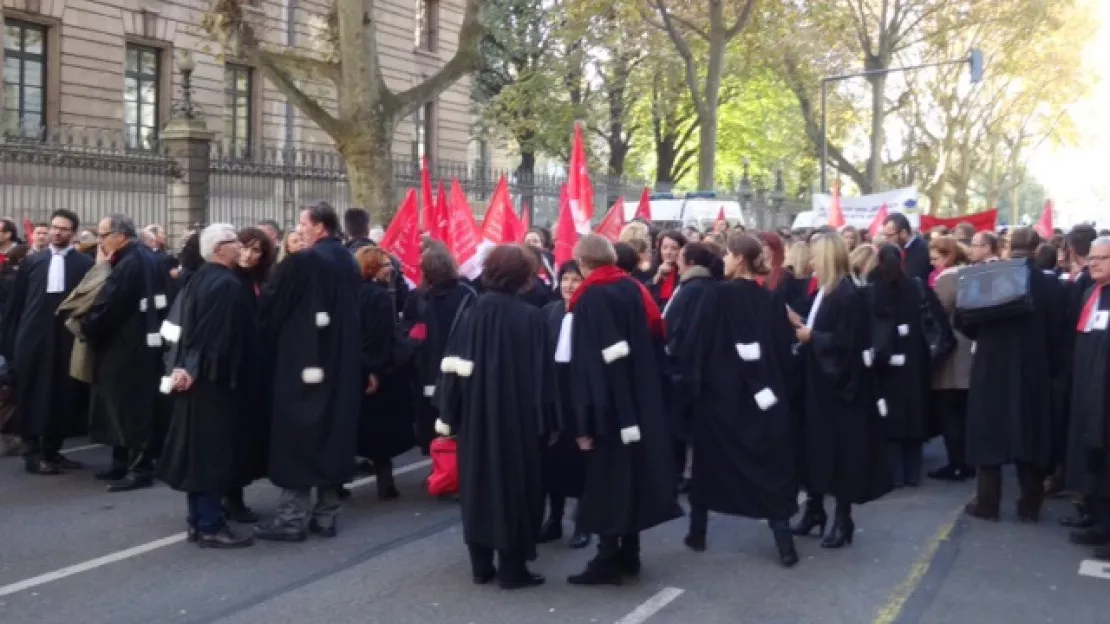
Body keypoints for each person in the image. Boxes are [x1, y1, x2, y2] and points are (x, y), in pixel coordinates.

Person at [559, 234, 682, 586]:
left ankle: (607, 557)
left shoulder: (590, 299)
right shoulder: (632, 288)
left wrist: (584, 422)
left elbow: (588, 367)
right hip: (638, 398)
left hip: (608, 405)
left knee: (607, 480)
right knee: (630, 476)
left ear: (582, 264)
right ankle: (630, 551)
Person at [675, 233, 799, 567]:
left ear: (739, 258)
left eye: (728, 254)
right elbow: (784, 353)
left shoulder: (714, 296)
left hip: (719, 398)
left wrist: (692, 385)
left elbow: (694, 344)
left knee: (709, 465)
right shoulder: (771, 300)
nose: (724, 261)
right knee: (768, 468)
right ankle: (783, 541)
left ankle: (697, 532)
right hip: (763, 398)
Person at [437, 245, 551, 590]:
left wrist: (449, 416)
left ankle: (481, 565)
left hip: (476, 418)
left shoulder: (471, 312)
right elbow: (543, 380)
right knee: (517, 489)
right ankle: (513, 569)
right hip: (518, 423)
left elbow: (452, 367)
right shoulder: (532, 318)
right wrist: (547, 422)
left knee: (478, 488)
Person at [254, 202, 361, 541]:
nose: (298, 229)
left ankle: (291, 519)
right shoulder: (348, 259)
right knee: (334, 434)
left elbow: (271, 305)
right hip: (341, 363)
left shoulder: (304, 262)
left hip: (303, 360)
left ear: (319, 227)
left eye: (303, 223)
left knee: (296, 436)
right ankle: (326, 515)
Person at [156, 224, 257, 549]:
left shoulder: (198, 278)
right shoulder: (226, 285)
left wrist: (179, 367)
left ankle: (198, 521)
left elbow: (180, 328)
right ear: (218, 249)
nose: (239, 246)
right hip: (213, 382)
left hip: (194, 378)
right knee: (212, 454)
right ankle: (211, 524)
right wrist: (191, 368)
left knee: (196, 452)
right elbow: (213, 336)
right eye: (233, 242)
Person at [790, 233, 890, 548]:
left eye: (816, 256)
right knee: (813, 450)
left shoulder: (847, 294)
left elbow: (848, 342)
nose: (810, 262)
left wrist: (812, 337)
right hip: (817, 384)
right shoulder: (825, 290)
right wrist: (802, 324)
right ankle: (815, 511)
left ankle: (842, 519)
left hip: (840, 389)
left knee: (840, 454)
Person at [958, 227, 1063, 523]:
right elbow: (1058, 333)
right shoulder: (1051, 285)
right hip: (1034, 369)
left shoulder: (990, 277)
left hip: (991, 366)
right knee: (1031, 435)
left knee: (989, 433)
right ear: (1037, 248)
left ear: (1007, 246)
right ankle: (1030, 505)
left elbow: (965, 320)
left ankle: (987, 503)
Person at [82, 214, 170, 492]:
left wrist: (88, 327)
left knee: (131, 409)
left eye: (104, 234)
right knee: (121, 408)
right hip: (141, 343)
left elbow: (111, 304)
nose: (101, 240)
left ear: (121, 236)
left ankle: (139, 467)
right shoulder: (144, 257)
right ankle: (121, 461)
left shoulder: (130, 263)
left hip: (126, 345)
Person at [1, 210, 93, 475]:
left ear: (72, 233)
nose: (56, 232)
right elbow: (16, 304)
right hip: (32, 337)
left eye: (63, 229)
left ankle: (53, 450)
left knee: (61, 394)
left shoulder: (82, 264)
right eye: (53, 227)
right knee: (31, 392)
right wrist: (10, 341)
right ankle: (33, 452)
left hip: (64, 339)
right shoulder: (34, 262)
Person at [866, 244, 931, 488]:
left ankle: (894, 473)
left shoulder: (873, 289)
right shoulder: (915, 285)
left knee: (889, 415)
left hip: (885, 359)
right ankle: (913, 473)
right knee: (914, 413)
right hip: (914, 359)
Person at [403, 248, 476, 455]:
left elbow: (407, 330)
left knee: (430, 416)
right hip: (459, 364)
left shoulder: (419, 296)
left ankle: (438, 462)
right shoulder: (467, 293)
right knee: (456, 415)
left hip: (427, 367)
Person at [354, 246, 413, 500]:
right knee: (380, 432)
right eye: (385, 263)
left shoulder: (352, 293)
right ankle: (385, 484)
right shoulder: (378, 297)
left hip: (355, 367)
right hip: (375, 370)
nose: (391, 268)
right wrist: (373, 370)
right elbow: (378, 338)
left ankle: (336, 485)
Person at [538, 260, 590, 549]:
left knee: (582, 461)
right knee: (553, 462)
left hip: (579, 396)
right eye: (566, 280)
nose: (569, 286)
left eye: (575, 280)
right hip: (554, 393)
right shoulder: (549, 312)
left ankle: (583, 523)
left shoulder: (590, 314)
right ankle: (554, 519)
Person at [1064, 236, 1110, 558]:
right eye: (1091, 257)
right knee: (1090, 453)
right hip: (1086, 388)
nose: (1093, 263)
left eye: (1102, 258)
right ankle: (1095, 518)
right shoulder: (1090, 294)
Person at [927, 236, 975, 481]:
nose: (933, 264)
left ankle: (957, 463)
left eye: (935, 259)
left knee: (949, 413)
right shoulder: (971, 274)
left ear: (947, 256)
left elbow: (936, 312)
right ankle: (967, 461)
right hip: (969, 349)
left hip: (951, 354)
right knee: (964, 413)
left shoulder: (947, 279)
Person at [882, 213, 931, 283]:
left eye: (889, 236)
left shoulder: (922, 249)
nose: (886, 240)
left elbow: (918, 281)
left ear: (903, 233)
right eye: (885, 235)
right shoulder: (899, 250)